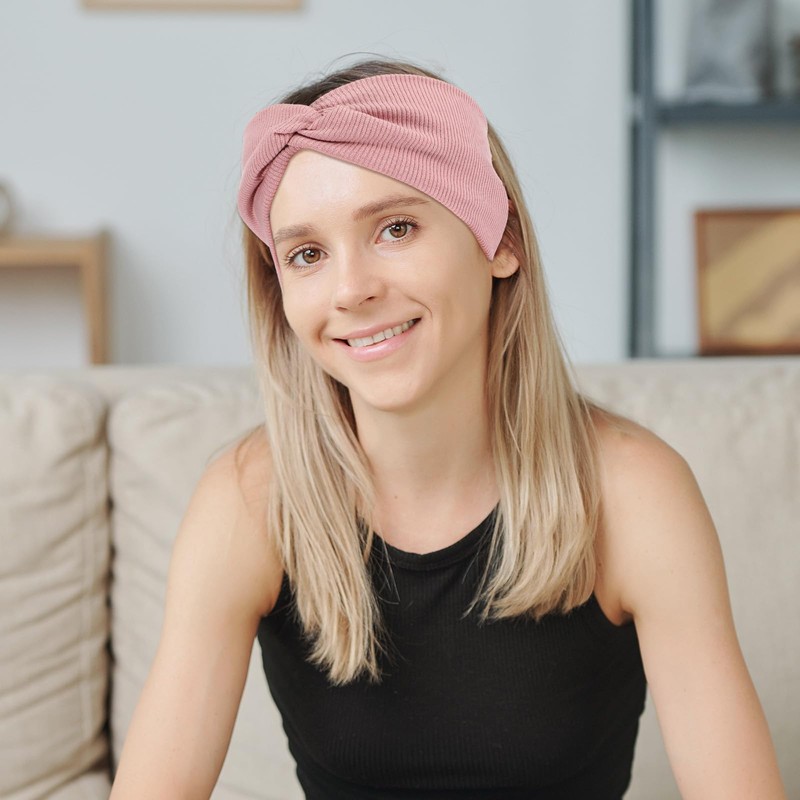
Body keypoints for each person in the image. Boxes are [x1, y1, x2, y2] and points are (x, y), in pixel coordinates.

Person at [109, 57, 787, 799]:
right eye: (307, 254)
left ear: (499, 241)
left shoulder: (635, 493)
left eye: (395, 228)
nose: (351, 289)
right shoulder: (247, 501)